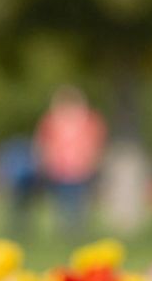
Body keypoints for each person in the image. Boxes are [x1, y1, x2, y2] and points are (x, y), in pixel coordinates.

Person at [33, 86, 105, 239]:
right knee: (61, 201)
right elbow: (44, 144)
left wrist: (90, 160)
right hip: (59, 168)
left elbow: (95, 143)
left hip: (81, 168)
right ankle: (64, 230)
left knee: (79, 201)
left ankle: (77, 230)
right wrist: (47, 161)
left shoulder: (89, 120)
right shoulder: (51, 121)